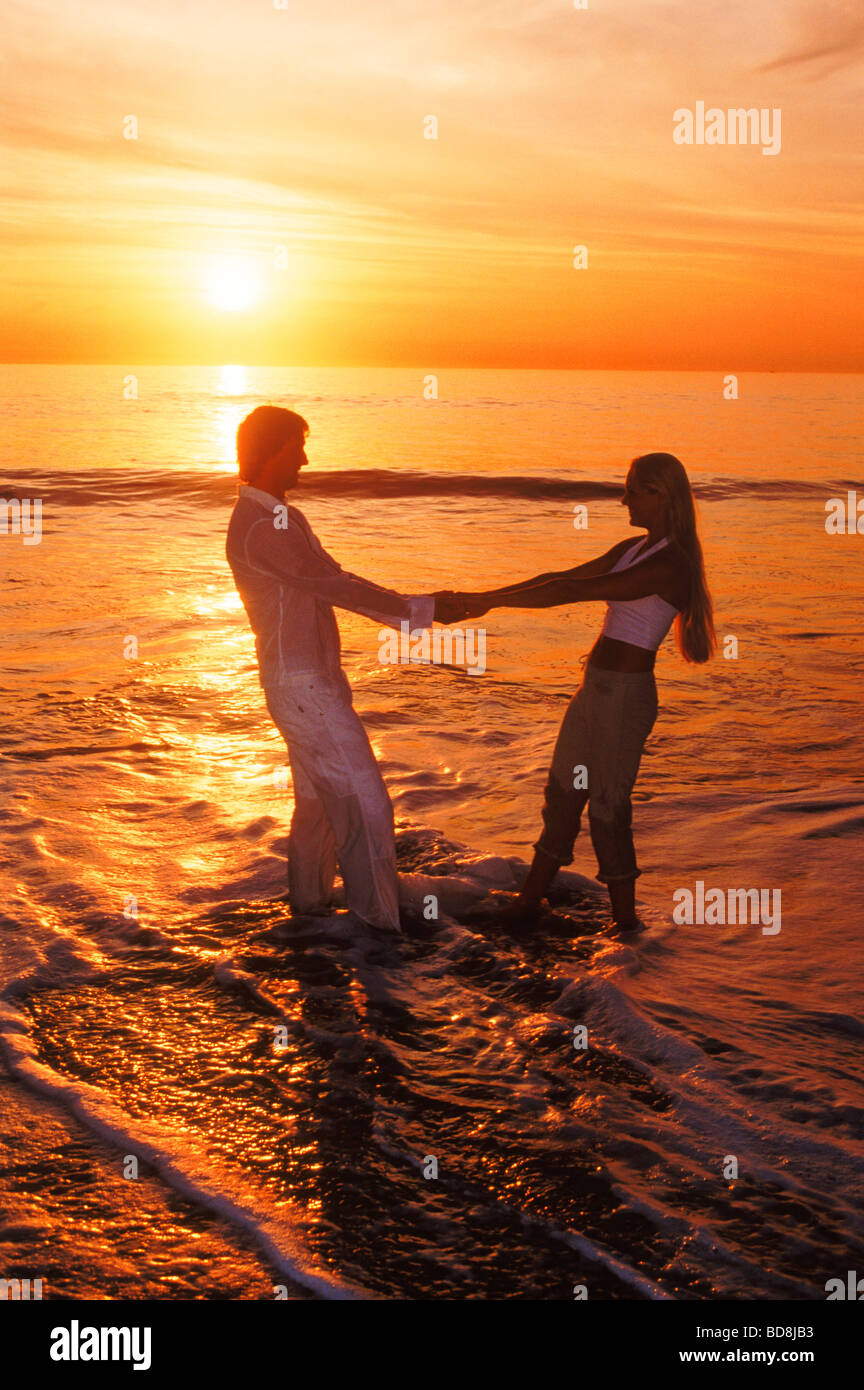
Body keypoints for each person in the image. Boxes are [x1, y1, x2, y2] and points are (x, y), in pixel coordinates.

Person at [435, 452, 715, 931]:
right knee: (564, 792)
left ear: (660, 494)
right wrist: (484, 598)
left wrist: (490, 601)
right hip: (595, 690)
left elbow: (571, 591)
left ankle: (627, 926)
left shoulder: (672, 565)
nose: (623, 498)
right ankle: (528, 902)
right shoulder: (634, 547)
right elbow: (560, 579)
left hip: (625, 698)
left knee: (607, 806)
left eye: (632, 489)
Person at [226, 405, 440, 933]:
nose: (305, 457)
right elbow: (330, 584)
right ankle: (377, 930)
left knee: (319, 805)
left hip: (310, 681)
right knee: (366, 807)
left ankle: (310, 912)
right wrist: (420, 610)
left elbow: (327, 576)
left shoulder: (277, 514)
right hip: (303, 685)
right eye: (297, 446)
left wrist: (420, 606)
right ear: (273, 450)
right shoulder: (260, 524)